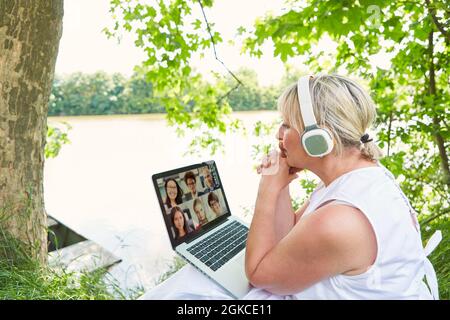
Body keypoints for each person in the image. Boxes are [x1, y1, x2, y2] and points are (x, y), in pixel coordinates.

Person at [140, 73, 441, 300]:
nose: (277, 134)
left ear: (318, 139)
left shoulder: (340, 220)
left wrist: (268, 189)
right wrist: (283, 184)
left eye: (286, 125)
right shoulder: (359, 178)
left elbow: (260, 276)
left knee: (186, 294)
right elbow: (288, 238)